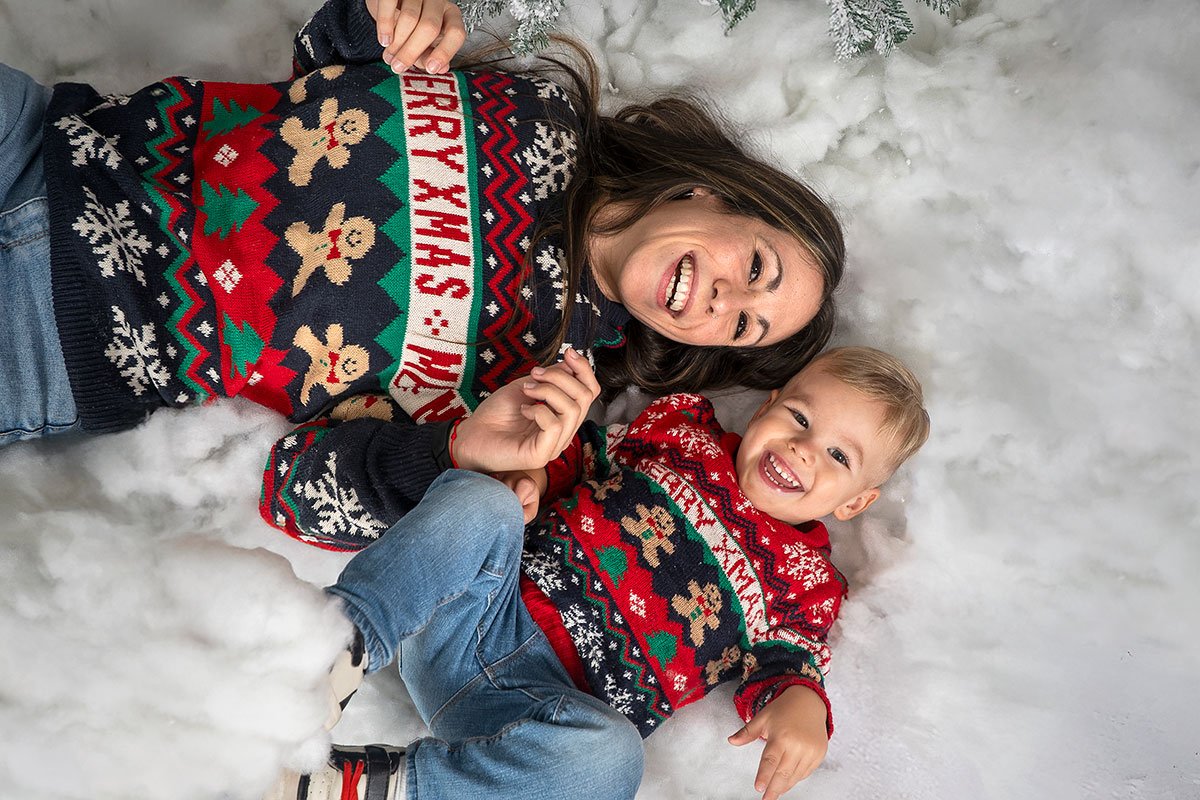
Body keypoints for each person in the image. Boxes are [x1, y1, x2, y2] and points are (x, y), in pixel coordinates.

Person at [0, 0, 845, 450]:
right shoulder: (542, 105)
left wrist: (458, 460)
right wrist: (386, 15)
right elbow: (324, 69)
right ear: (712, 193)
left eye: (742, 326)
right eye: (758, 270)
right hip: (59, 144)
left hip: (67, 336)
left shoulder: (548, 382)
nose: (723, 302)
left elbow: (317, 480)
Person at [264, 345, 931, 800]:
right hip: (476, 609)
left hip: (536, 713)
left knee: (612, 760)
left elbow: (789, 666)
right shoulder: (683, 435)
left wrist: (800, 710)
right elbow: (579, 455)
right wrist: (533, 477)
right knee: (481, 499)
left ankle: (364, 787)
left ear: (855, 503)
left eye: (838, 456)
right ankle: (334, 650)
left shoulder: (805, 585)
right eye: (800, 419)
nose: (801, 451)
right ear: (766, 406)